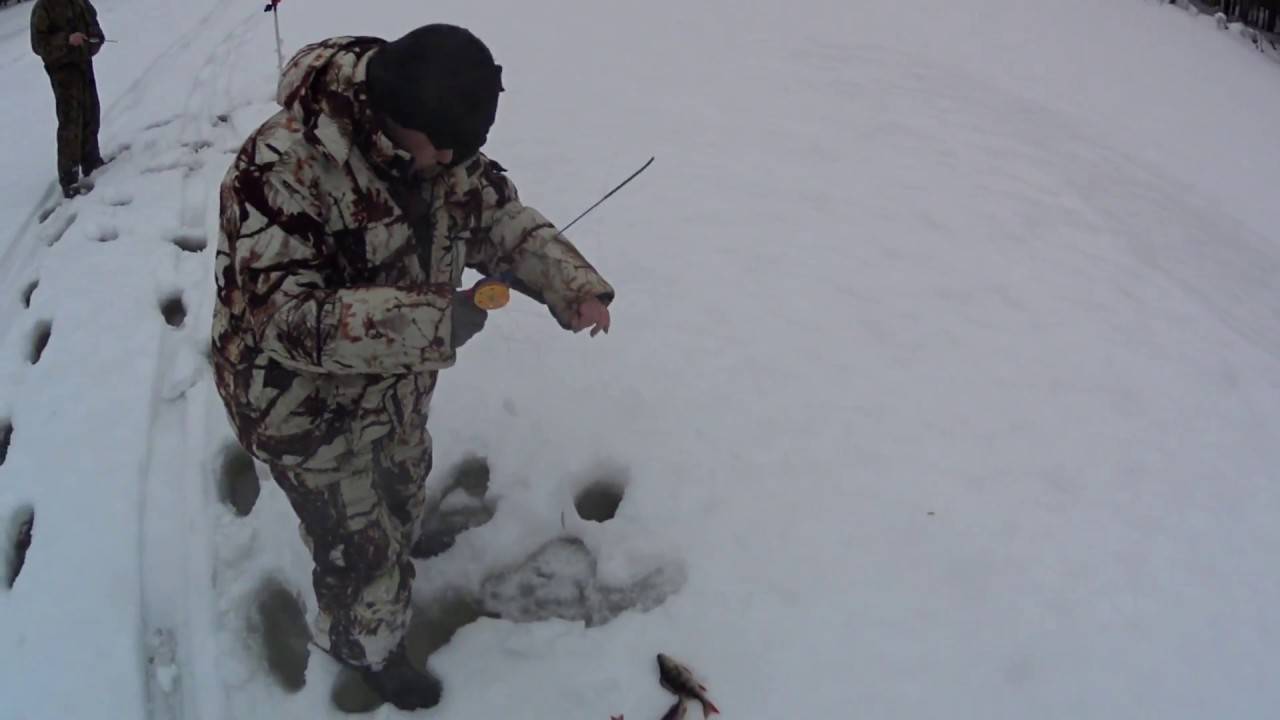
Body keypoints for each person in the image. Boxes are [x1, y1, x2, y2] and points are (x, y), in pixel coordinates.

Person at [211, 25, 615, 710]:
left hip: (393, 388)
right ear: (396, 119)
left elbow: (496, 220)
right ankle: (366, 649)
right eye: (447, 148)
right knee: (356, 548)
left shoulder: (439, 147)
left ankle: (394, 543)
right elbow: (281, 319)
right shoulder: (279, 170)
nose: (458, 161)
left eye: (469, 147)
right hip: (301, 408)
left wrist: (568, 282)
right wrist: (429, 322)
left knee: (401, 479)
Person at [30, 0, 106, 198]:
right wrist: (66, 40)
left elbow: (93, 24)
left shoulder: (79, 2)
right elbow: (39, 45)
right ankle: (69, 178)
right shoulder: (43, 7)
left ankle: (92, 162)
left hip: (83, 65)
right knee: (70, 122)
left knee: (91, 112)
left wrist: (95, 39)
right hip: (62, 71)